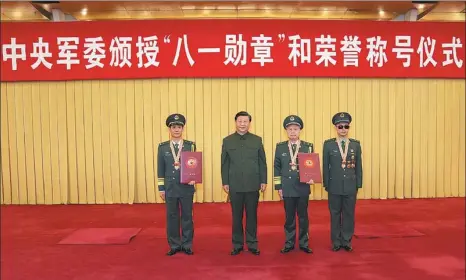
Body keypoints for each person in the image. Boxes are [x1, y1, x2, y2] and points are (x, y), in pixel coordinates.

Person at [221, 111, 267, 256]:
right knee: (236, 216)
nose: (242, 124)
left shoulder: (257, 140)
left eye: (245, 121)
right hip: (235, 184)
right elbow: (224, 163)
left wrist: (263, 180)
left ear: (249, 123)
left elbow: (262, 162)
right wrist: (225, 181)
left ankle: (253, 244)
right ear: (236, 122)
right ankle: (237, 244)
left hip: (253, 184)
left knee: (252, 215)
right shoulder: (228, 140)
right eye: (240, 121)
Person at [322, 112, 363, 252]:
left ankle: (346, 240)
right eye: (340, 126)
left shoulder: (355, 145)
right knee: (334, 214)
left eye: (346, 126)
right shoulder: (328, 145)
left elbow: (359, 166)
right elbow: (325, 166)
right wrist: (326, 183)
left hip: (350, 185)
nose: (343, 129)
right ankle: (336, 241)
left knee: (349, 214)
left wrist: (358, 183)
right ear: (336, 127)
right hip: (334, 185)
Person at [274, 115, 314, 254]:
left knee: (303, 217)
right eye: (290, 129)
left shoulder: (307, 147)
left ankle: (304, 243)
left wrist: (312, 177)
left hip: (303, 187)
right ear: (286, 130)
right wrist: (278, 187)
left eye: (295, 129)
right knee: (289, 217)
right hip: (287, 187)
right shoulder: (280, 147)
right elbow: (276, 168)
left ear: (300, 130)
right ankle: (289, 243)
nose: (292, 132)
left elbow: (311, 166)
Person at [157, 113, 196, 256]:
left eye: (179, 127)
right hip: (170, 187)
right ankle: (174, 244)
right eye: (174, 127)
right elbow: (160, 169)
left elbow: (194, 165)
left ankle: (187, 244)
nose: (176, 130)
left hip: (186, 187)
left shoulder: (190, 145)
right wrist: (161, 188)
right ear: (169, 129)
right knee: (172, 216)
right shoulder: (162, 147)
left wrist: (194, 178)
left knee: (187, 216)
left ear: (183, 128)